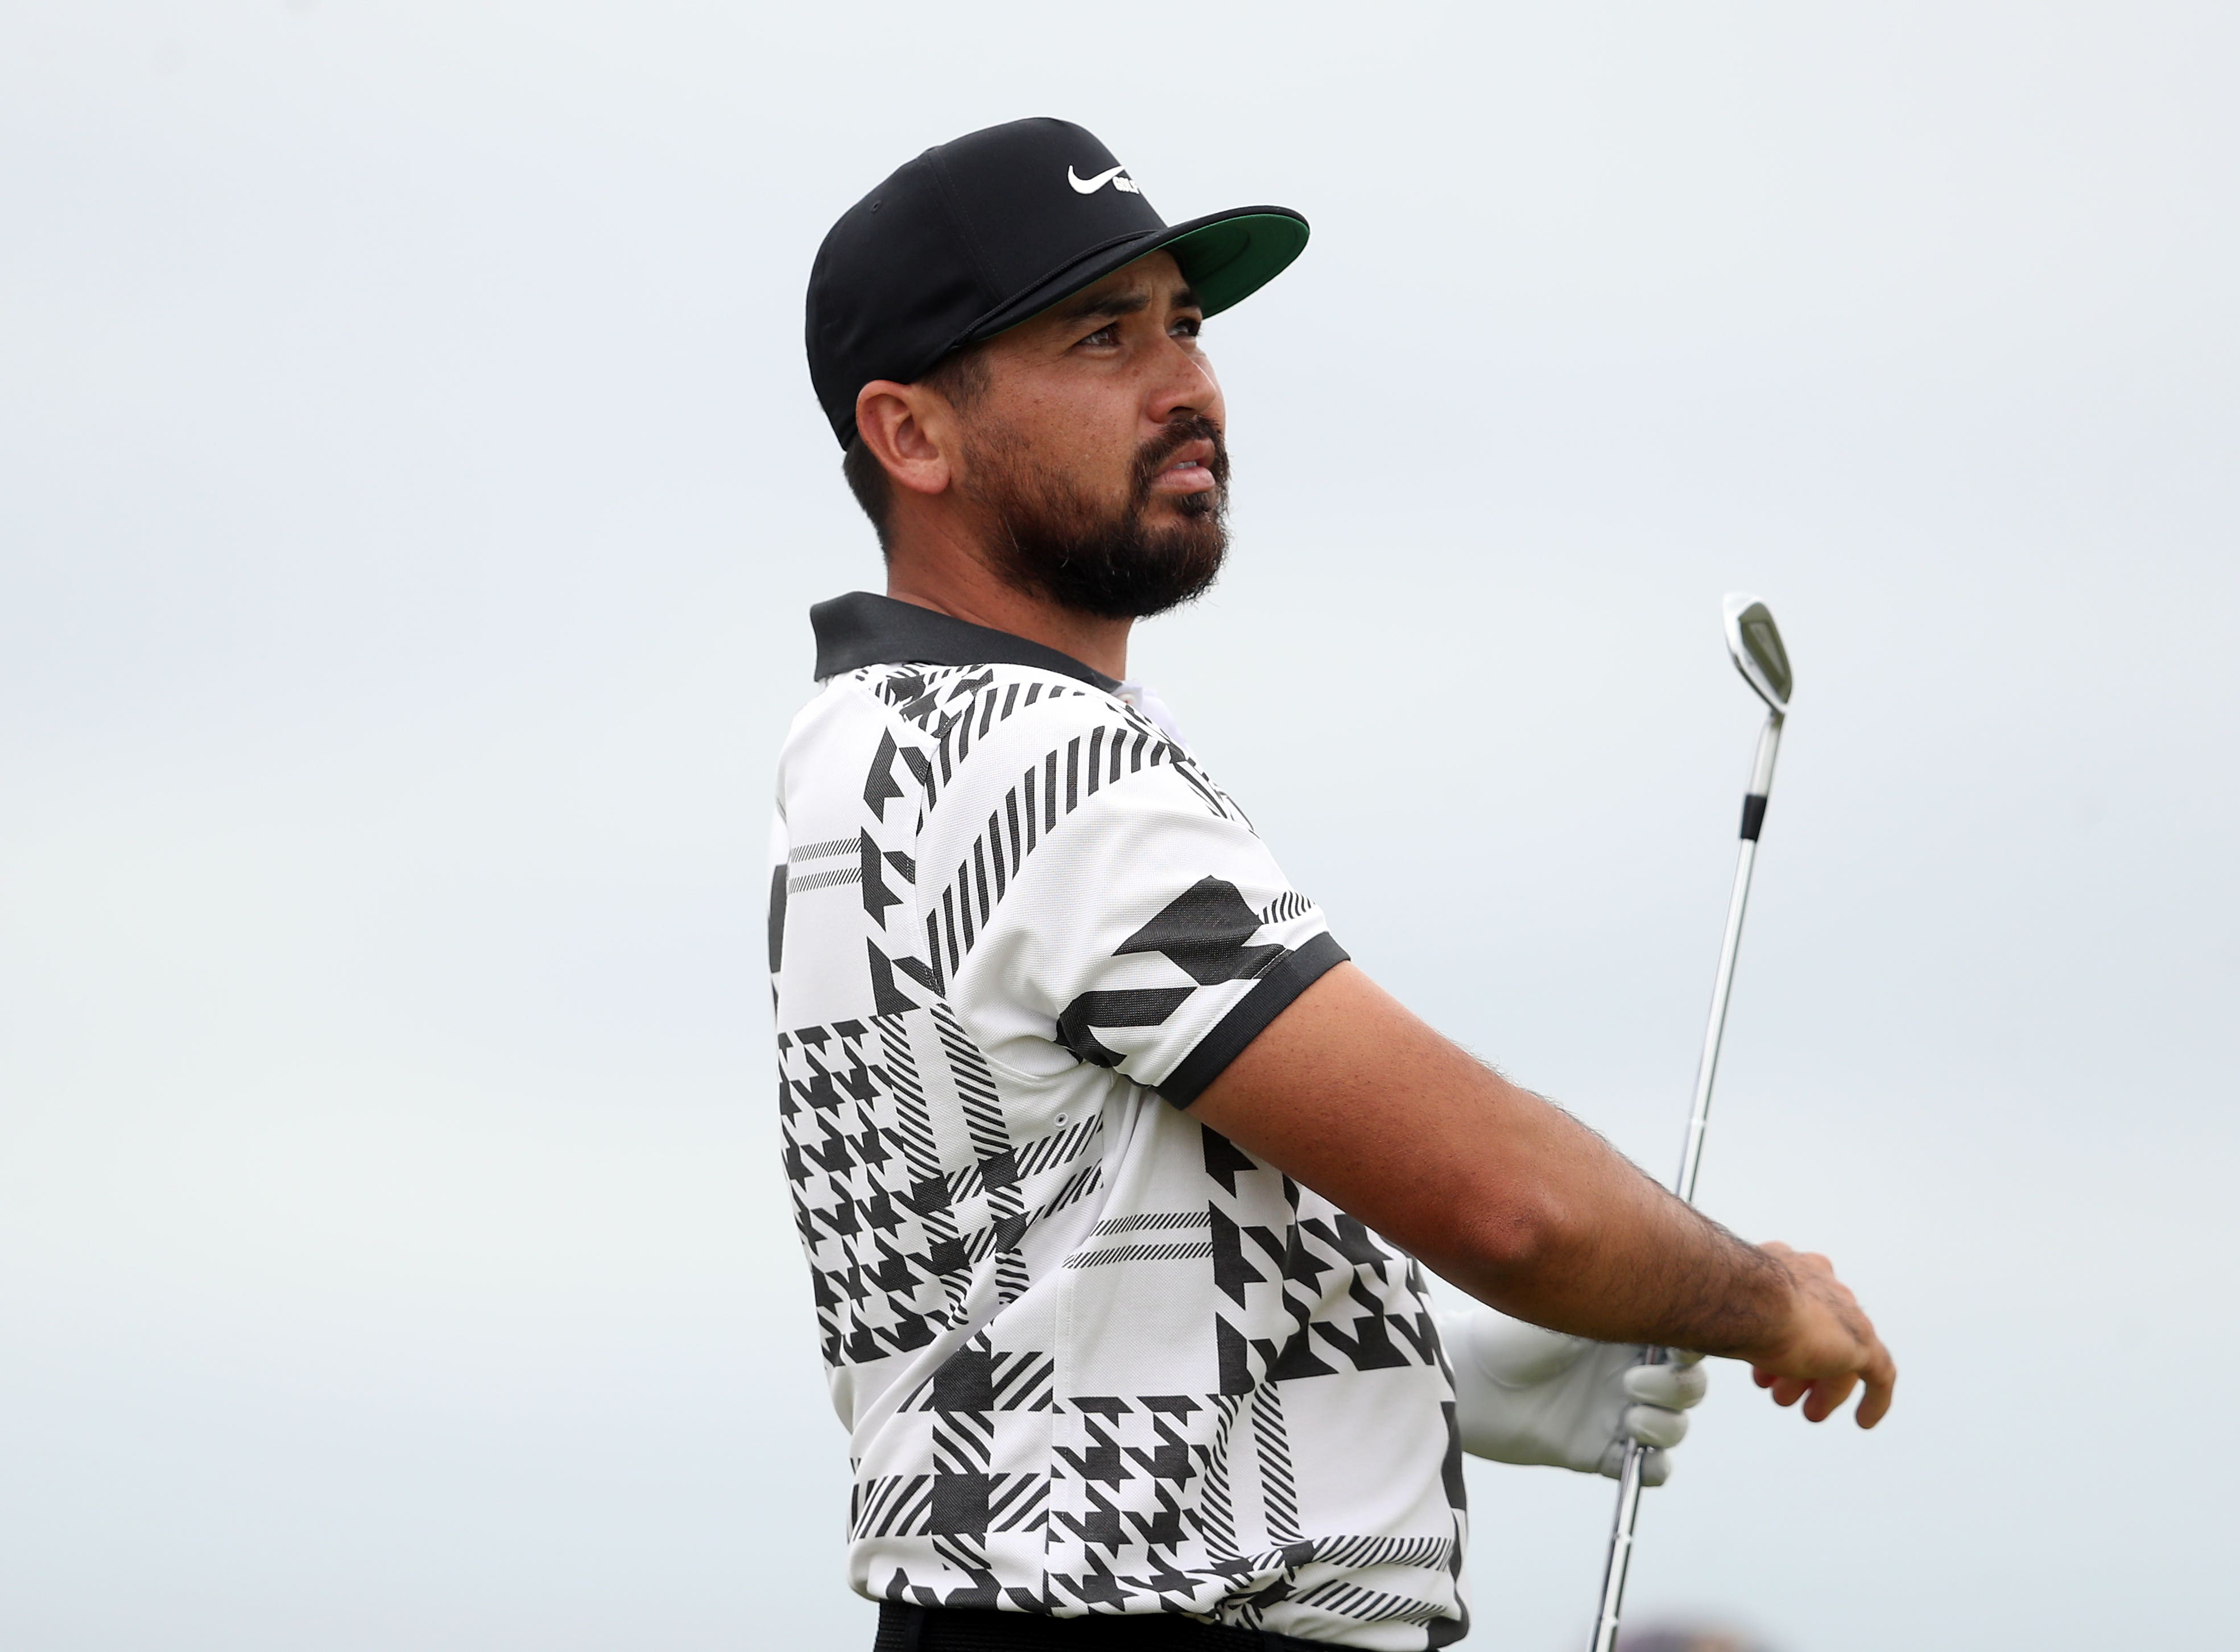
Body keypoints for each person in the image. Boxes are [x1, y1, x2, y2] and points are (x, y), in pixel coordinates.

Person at [771, 117, 1896, 1652]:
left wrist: (1408, 1360)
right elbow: (1507, 1202)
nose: (1189, 385)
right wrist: (1757, 1291)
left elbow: (1040, 1283)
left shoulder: (874, 742)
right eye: (1103, 338)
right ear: (911, 435)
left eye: (1187, 324)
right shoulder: (1036, 762)